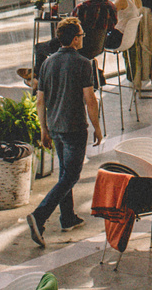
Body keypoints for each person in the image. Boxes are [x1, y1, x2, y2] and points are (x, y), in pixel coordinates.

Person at [26, 16, 102, 246]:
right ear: (74, 39)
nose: (83, 39)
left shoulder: (47, 63)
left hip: (55, 127)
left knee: (64, 173)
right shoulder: (83, 63)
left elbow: (40, 101)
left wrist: (44, 130)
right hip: (74, 127)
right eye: (81, 35)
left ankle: (67, 217)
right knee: (71, 175)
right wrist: (97, 127)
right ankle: (40, 216)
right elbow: (90, 100)